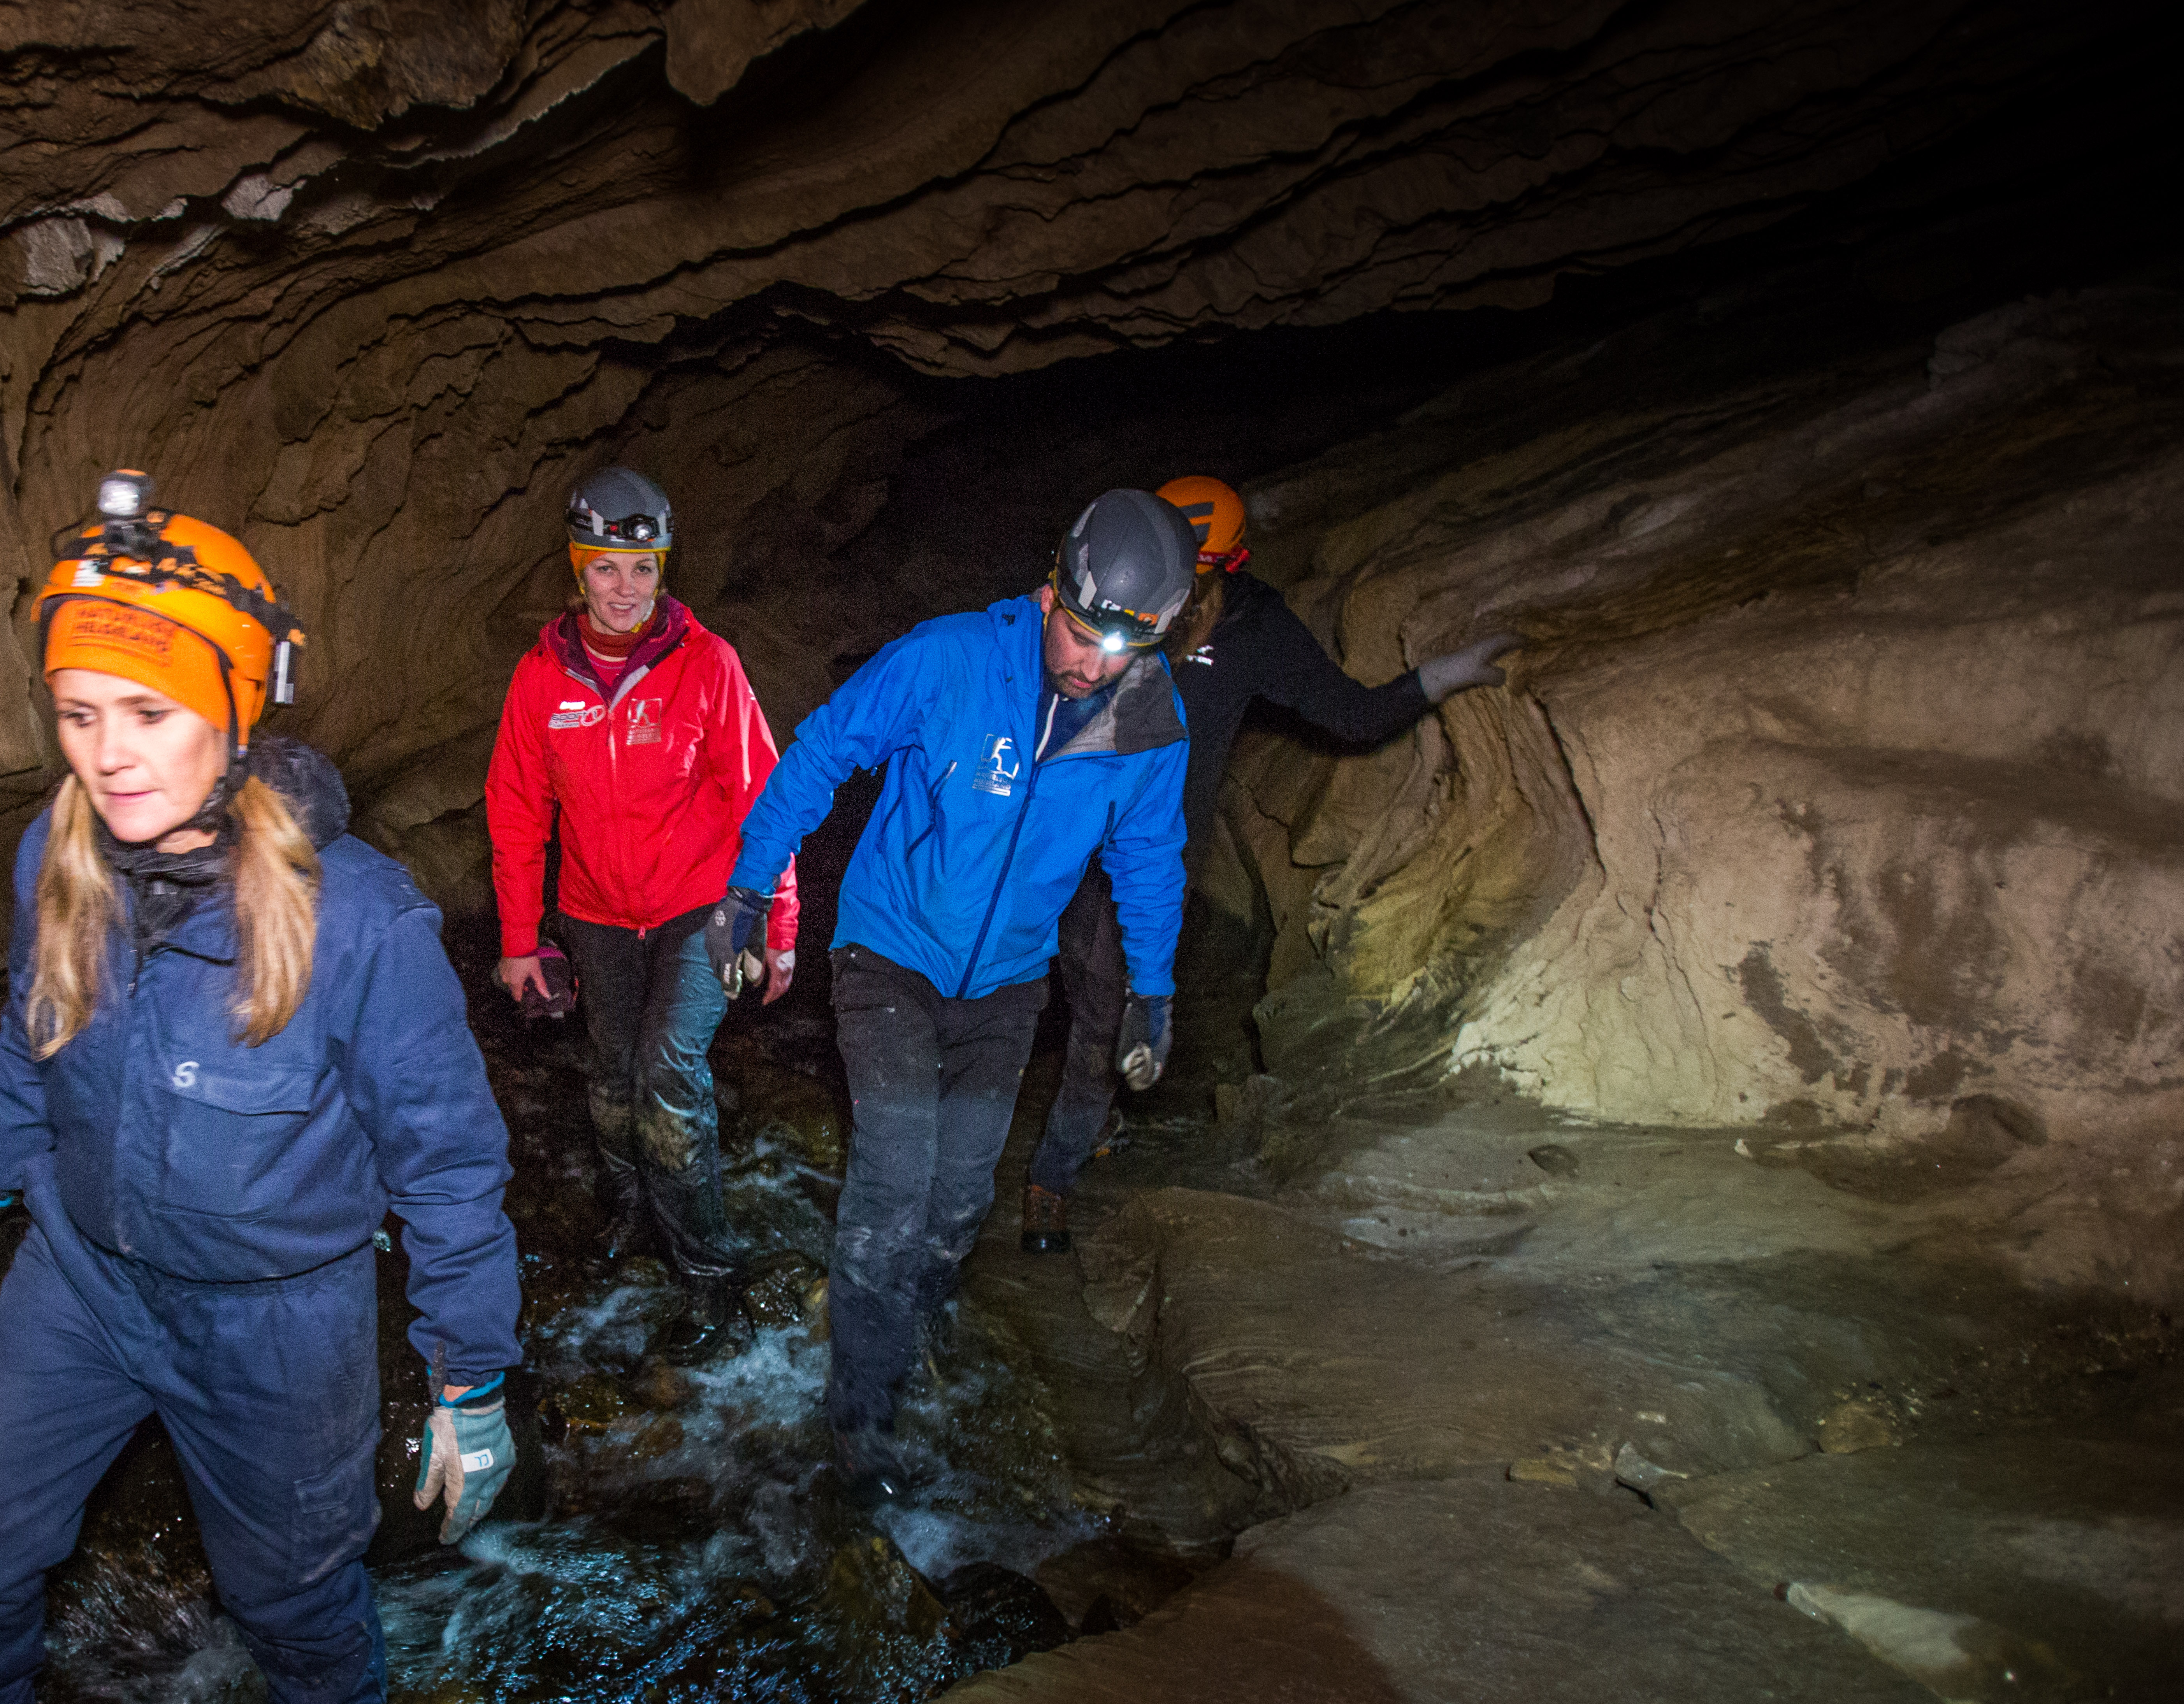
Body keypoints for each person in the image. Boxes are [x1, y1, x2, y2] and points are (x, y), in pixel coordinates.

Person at [0, 470, 523, 1704]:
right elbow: (27, 1043)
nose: (105, 754)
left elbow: (449, 1166)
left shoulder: (360, 924)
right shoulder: (51, 863)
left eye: (147, 714)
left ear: (236, 714)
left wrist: (472, 1380)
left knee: (289, 1598)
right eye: (77, 716)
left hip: (276, 1326)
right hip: (83, 1281)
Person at [706, 488, 1200, 1497]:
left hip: (1010, 985)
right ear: (1052, 586)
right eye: (1080, 633)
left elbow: (1150, 857)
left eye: (1123, 649)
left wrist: (1154, 992)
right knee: (894, 1180)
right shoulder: (954, 660)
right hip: (888, 952)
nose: (1094, 666)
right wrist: (750, 889)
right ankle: (863, 1417)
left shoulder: (1150, 718)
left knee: (962, 1196)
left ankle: (909, 1323)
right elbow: (821, 752)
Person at [1015, 475, 1522, 1250]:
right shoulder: (1100, 602)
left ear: (1221, 568)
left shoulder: (1251, 627)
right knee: (1023, 987)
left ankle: (1051, 1176)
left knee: (1099, 1021)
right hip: (1048, 843)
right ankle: (1038, 1114)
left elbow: (1349, 715)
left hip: (1139, 869)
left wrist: (1440, 676)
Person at [482, 464, 799, 1352]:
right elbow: (515, 811)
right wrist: (518, 939)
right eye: (606, 569)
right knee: (612, 1069)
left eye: (644, 569)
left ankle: (708, 1275)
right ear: (577, 569)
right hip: (595, 913)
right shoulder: (542, 679)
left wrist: (777, 926)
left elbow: (763, 801)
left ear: (665, 571)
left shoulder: (708, 665)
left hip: (704, 907)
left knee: (667, 1070)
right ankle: (631, 1213)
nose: (625, 590)